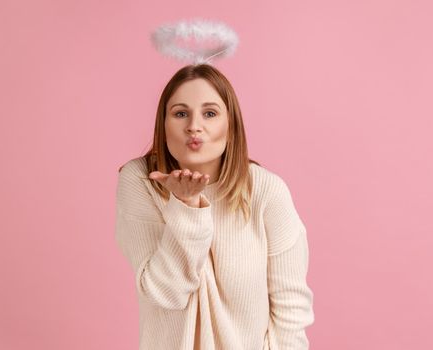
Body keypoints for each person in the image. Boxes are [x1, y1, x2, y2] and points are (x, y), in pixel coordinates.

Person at [115, 63, 314, 349]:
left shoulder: (266, 191)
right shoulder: (140, 181)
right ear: (163, 124)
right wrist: (187, 207)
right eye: (180, 113)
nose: (194, 126)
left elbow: (291, 311)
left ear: (231, 126)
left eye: (210, 113)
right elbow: (165, 294)